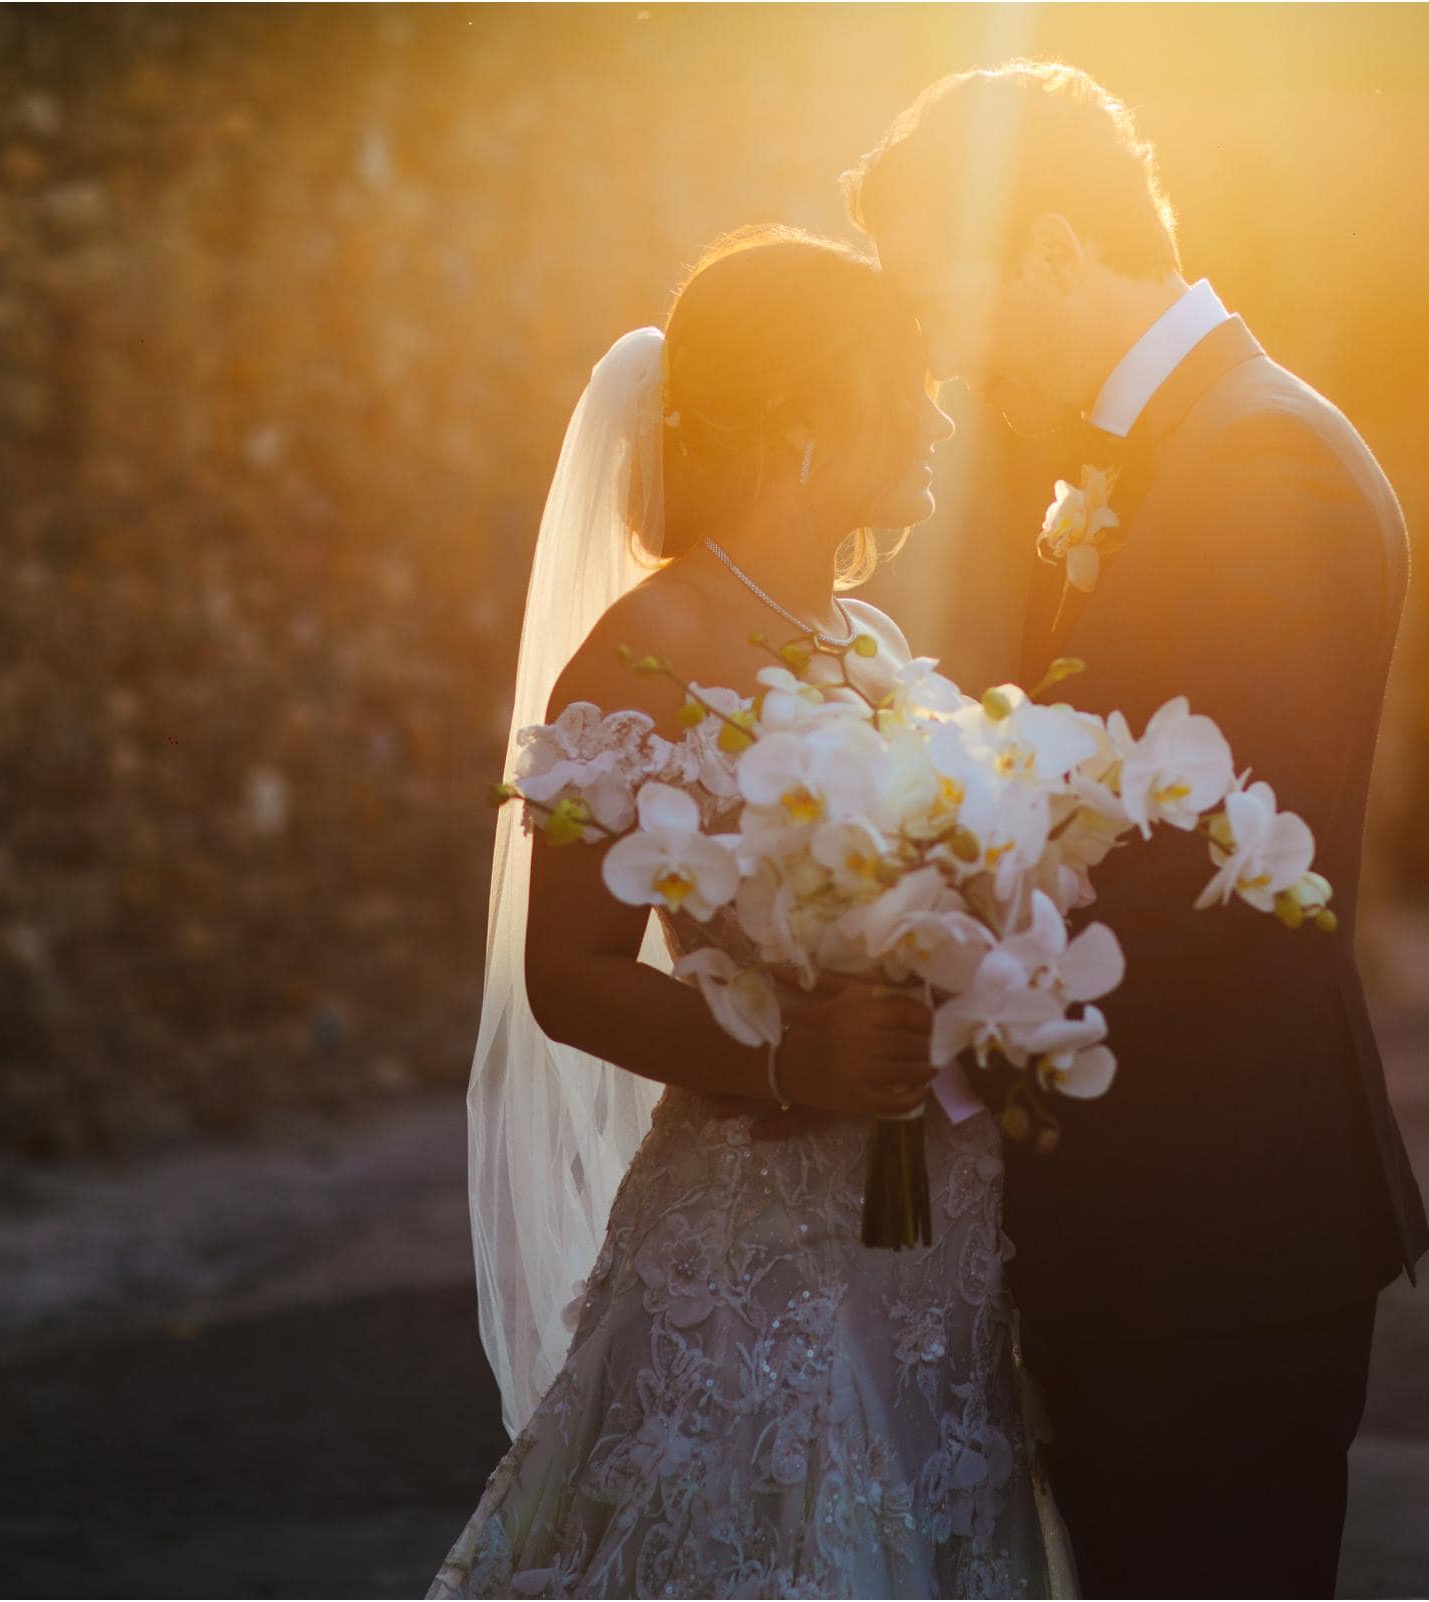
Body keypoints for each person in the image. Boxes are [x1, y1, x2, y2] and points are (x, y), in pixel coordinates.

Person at [845, 60, 1429, 1598]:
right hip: (1154, 1230)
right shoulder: (1172, 451)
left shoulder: (1260, 466)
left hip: (1220, 1235)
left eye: (954, 308)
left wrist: (932, 972)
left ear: (1049, 249)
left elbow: (1238, 876)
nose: (955, 368)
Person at [427, 225, 1058, 1599]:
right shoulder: (641, 658)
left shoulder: (865, 643)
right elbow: (569, 974)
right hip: (759, 1239)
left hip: (929, 1239)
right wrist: (790, 1056)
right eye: (907, 381)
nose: (939, 413)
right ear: (799, 422)